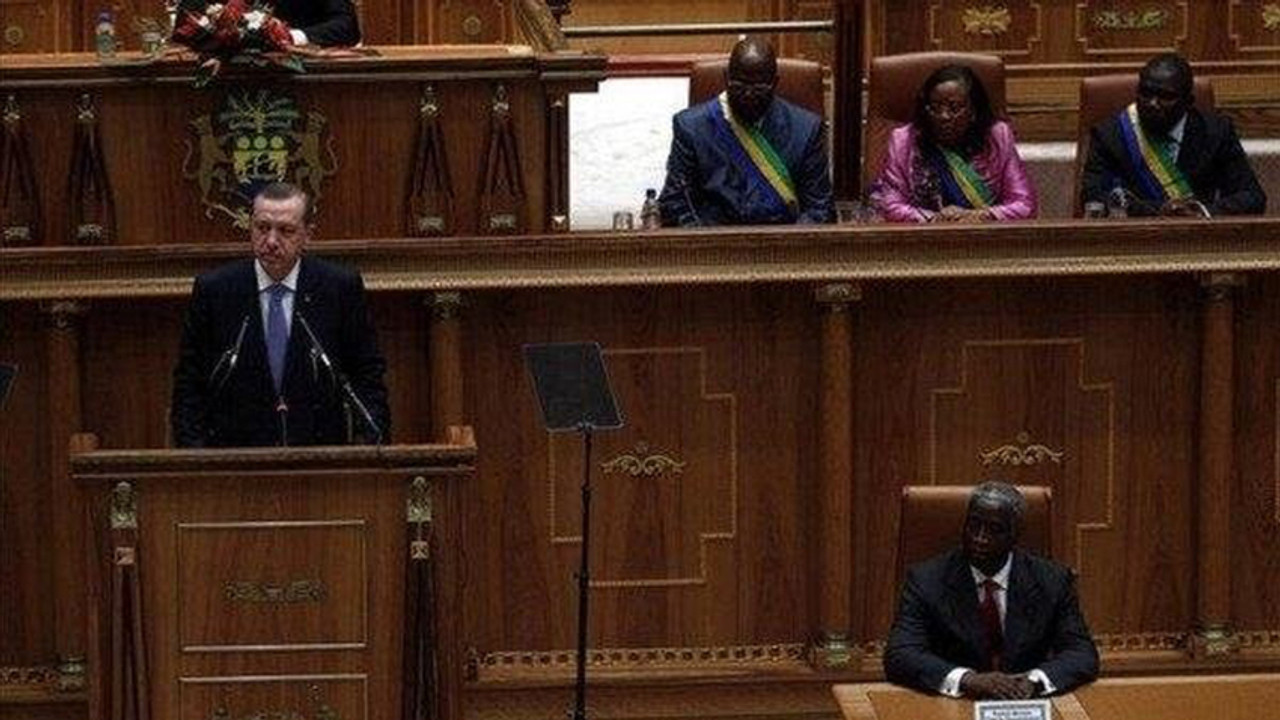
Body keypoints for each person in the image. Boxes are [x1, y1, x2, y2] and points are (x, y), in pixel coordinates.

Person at [171, 182, 390, 447]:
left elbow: (366, 375)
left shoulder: (338, 288)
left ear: (308, 235)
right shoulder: (216, 290)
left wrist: (369, 449)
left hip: (320, 453)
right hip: (234, 454)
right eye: (262, 228)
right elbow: (190, 384)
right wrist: (195, 458)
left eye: (286, 231)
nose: (271, 241)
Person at [885, 482, 1098, 699]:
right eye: (974, 525)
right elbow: (901, 654)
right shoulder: (926, 580)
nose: (979, 538)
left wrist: (1034, 680)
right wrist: (967, 679)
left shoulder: (1053, 581)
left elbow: (1081, 653)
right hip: (954, 702)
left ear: (1015, 534)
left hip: (1025, 703)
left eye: (994, 529)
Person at [657, 37, 833, 226]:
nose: (748, 94)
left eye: (758, 87)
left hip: (783, 238)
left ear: (774, 83)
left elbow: (819, 208)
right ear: (726, 78)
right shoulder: (691, 127)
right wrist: (704, 241)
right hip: (712, 238)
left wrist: (789, 242)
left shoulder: (806, 129)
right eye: (739, 86)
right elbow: (675, 203)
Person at [1080, 53, 1266, 216]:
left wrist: (1202, 211)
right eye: (1145, 93)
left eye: (1166, 97)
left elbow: (1252, 197)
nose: (1152, 103)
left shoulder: (1216, 132)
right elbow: (1093, 197)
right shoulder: (1111, 134)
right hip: (1134, 237)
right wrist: (1160, 210)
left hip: (1198, 237)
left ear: (1188, 101)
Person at [872, 65, 1036, 223]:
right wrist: (934, 219)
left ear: (973, 111)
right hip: (923, 235)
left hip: (984, 233)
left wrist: (980, 215)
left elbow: (1025, 204)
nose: (944, 116)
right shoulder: (904, 140)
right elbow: (890, 205)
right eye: (935, 107)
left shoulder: (997, 136)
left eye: (954, 108)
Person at [174, 0, 360, 47]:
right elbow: (184, 25)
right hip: (217, 81)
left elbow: (347, 26)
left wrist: (290, 37)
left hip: (304, 79)